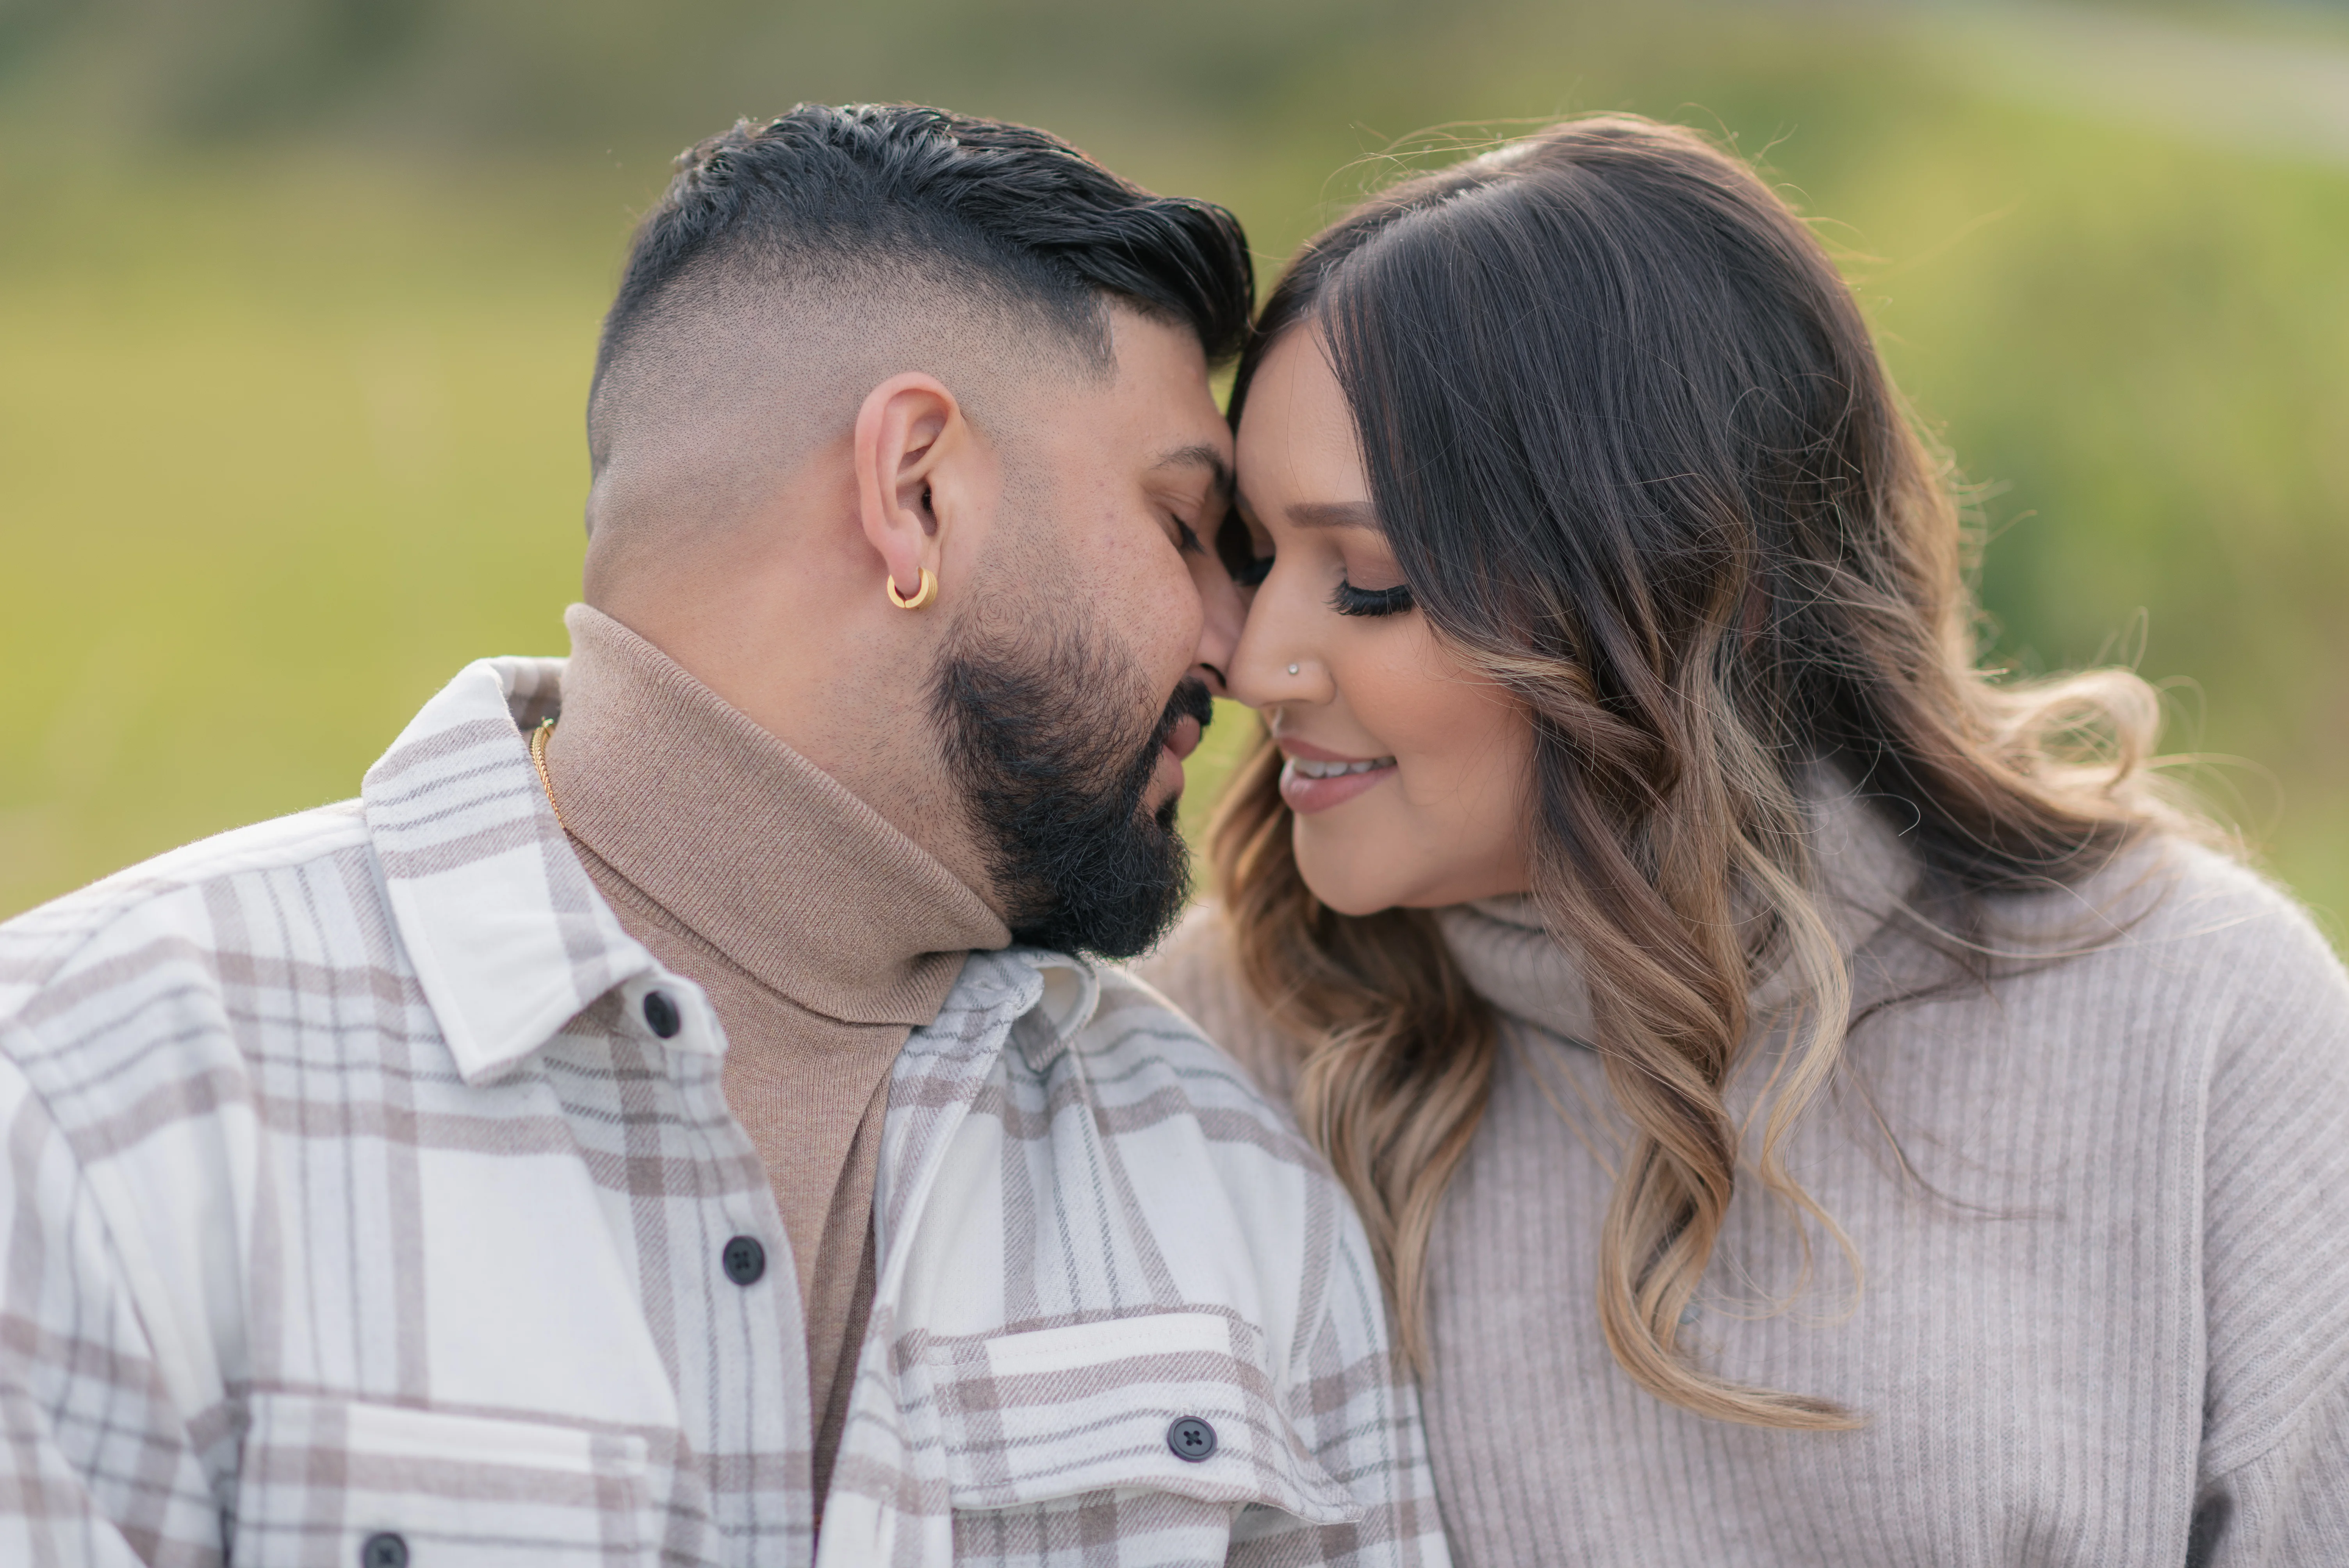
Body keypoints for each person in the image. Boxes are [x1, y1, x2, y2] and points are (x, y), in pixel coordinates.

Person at [0, 105, 1447, 1568]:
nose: (1242, 647)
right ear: (915, 490)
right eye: (1186, 527)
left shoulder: (1225, 1175)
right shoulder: (92, 1095)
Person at [1142, 115, 2349, 1564]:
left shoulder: (2201, 1018)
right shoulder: (1204, 1049)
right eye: (1256, 554)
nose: (1254, 659)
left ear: (1698, 586)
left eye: (1373, 578)